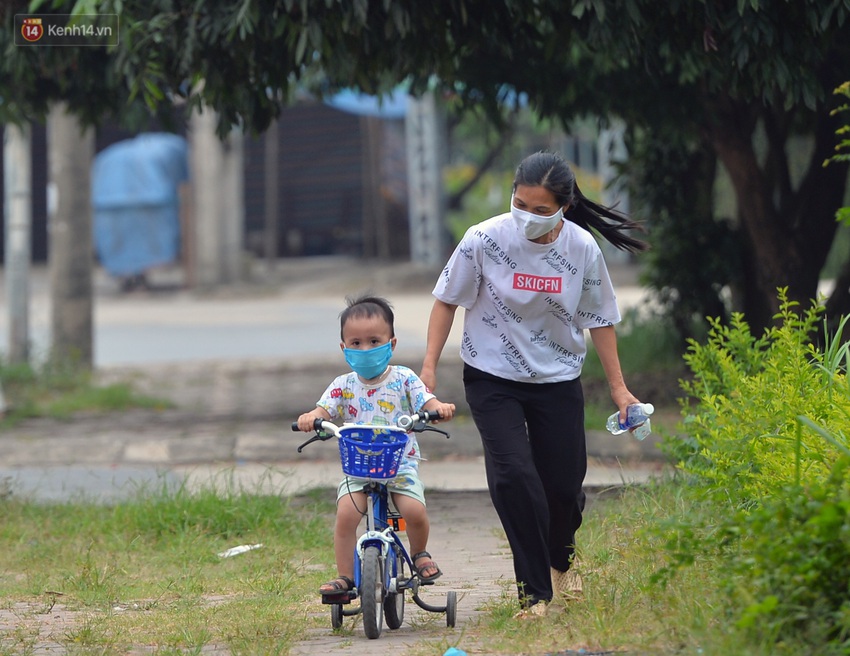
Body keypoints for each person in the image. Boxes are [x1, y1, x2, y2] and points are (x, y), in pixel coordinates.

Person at [419, 151, 649, 616]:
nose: (526, 217)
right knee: (514, 476)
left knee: (563, 488)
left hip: (557, 376)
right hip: (491, 376)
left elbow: (600, 319)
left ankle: (562, 558)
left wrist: (620, 389)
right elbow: (446, 300)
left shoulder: (582, 248)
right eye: (519, 204)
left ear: (563, 207)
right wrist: (427, 369)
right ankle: (534, 594)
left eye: (540, 210)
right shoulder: (483, 239)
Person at [297, 294, 456, 597]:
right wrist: (312, 418)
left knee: (414, 511)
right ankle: (345, 576)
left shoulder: (405, 379)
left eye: (374, 341)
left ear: (391, 344)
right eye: (356, 344)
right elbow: (324, 410)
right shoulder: (343, 385)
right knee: (346, 514)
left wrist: (439, 408)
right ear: (344, 348)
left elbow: (427, 400)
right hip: (358, 467)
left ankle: (420, 553)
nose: (365, 349)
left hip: (399, 464)